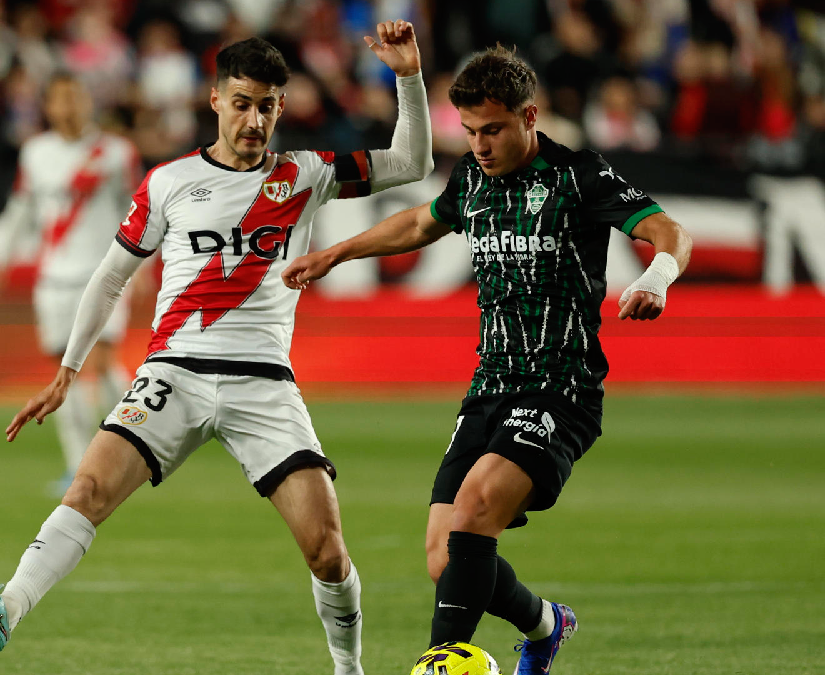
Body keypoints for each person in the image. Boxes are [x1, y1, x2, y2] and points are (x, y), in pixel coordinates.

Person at [0, 22, 434, 675]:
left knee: (326, 550)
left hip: (263, 382)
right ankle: (5, 606)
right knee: (88, 486)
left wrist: (408, 77)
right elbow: (112, 274)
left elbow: (414, 163)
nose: (253, 118)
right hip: (172, 373)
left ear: (281, 107)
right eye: (241, 102)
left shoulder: (307, 174)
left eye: (266, 105)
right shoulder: (169, 182)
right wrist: (69, 370)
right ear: (215, 100)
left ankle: (348, 668)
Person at [282, 46, 693, 675]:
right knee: (446, 560)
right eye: (470, 131)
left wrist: (658, 279)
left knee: (475, 510)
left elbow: (670, 232)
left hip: (562, 387)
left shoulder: (577, 174)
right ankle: (546, 624)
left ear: (530, 116)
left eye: (493, 130)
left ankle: (440, 661)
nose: (479, 145)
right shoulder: (472, 177)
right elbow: (422, 222)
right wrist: (334, 254)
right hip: (490, 386)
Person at [0, 73, 140, 495]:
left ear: (89, 101)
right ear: (47, 107)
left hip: (103, 274)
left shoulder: (116, 152)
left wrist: (144, 269)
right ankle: (78, 466)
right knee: (60, 376)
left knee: (103, 365)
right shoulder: (36, 153)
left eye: (75, 96)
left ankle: (137, 449)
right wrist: (1, 265)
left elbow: (139, 212)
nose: (68, 106)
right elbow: (20, 210)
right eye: (59, 99)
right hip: (53, 279)